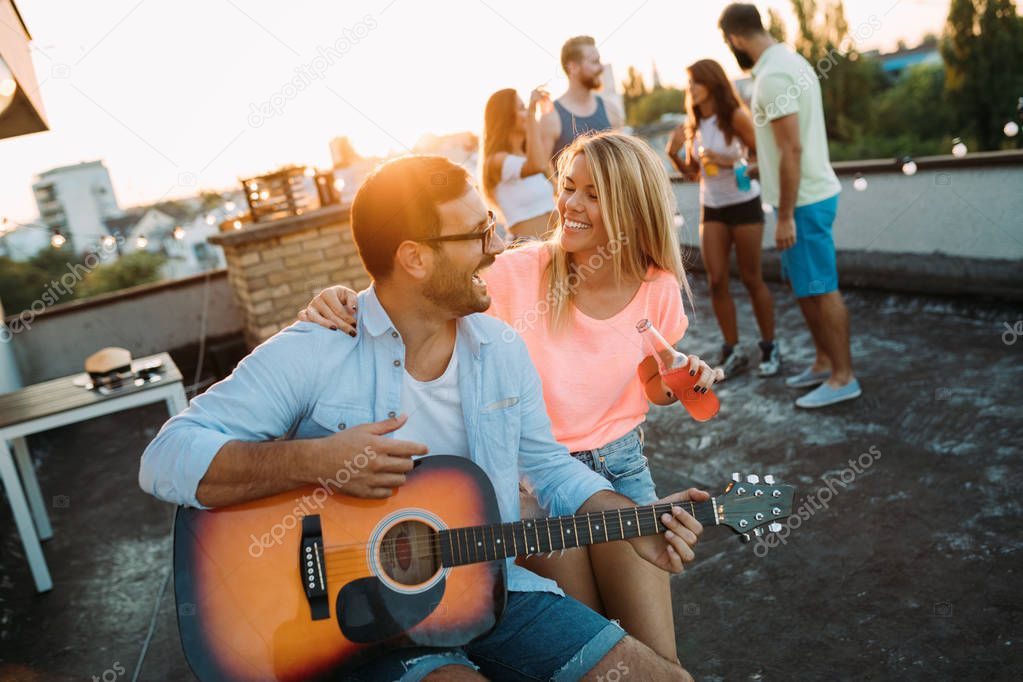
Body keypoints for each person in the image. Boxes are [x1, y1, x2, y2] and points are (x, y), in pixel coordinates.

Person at [140, 154, 706, 681]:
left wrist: (635, 520)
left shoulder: (501, 350)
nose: (497, 244)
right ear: (414, 257)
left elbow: (549, 468)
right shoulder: (317, 348)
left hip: (494, 586)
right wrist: (314, 460)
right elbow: (165, 458)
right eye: (478, 234)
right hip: (352, 625)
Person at [301, 132, 725, 666]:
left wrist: (678, 382)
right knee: (585, 651)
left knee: (659, 659)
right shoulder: (518, 274)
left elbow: (648, 382)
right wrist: (341, 298)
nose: (569, 204)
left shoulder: (659, 288)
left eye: (592, 194)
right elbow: (418, 290)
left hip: (621, 470)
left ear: (631, 206)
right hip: (535, 481)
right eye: (568, 187)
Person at [719, 3, 861, 408]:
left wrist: (784, 216)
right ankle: (823, 362)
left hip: (803, 203)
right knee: (805, 288)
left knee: (821, 288)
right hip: (803, 197)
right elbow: (784, 148)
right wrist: (761, 165)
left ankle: (843, 376)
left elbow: (793, 148)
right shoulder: (787, 63)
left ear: (735, 39)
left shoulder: (774, 75)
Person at [667, 58, 780, 380]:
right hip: (712, 207)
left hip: (744, 204)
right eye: (688, 84)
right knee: (716, 280)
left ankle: (770, 346)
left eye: (694, 83)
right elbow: (692, 174)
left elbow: (762, 156)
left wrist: (730, 161)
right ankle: (733, 349)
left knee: (751, 277)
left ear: (712, 83)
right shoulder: (694, 124)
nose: (689, 90)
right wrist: (673, 154)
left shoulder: (735, 117)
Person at [480, 88, 556, 241]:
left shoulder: (528, 156)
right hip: (528, 251)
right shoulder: (496, 161)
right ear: (505, 117)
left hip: (554, 245)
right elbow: (537, 166)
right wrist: (532, 113)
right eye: (522, 108)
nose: (527, 113)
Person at [541, 36, 624, 170]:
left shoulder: (610, 109)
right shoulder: (551, 116)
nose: (601, 67)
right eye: (594, 62)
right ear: (573, 68)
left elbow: (620, 161)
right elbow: (543, 170)